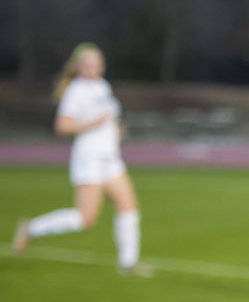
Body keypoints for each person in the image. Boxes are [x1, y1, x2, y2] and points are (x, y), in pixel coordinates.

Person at [12, 43, 151, 276]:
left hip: (110, 157)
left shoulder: (103, 87)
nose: (92, 67)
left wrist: (115, 131)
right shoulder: (76, 91)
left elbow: (108, 118)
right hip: (89, 158)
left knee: (128, 205)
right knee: (85, 218)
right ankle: (32, 228)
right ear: (78, 66)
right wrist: (93, 123)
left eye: (96, 63)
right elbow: (62, 125)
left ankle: (128, 263)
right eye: (87, 64)